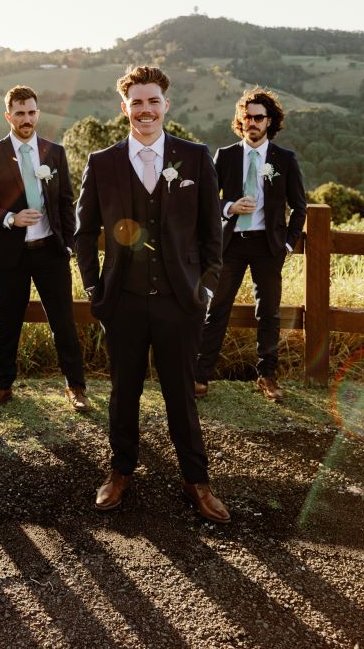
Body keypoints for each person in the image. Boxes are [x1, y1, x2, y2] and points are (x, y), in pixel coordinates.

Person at [75, 65, 229, 521]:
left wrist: (204, 287)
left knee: (180, 394)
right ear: (125, 108)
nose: (145, 110)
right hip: (121, 300)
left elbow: (210, 233)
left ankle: (196, 481)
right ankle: (120, 473)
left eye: (153, 101)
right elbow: (83, 233)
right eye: (136, 102)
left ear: (166, 106)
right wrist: (94, 289)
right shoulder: (102, 163)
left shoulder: (196, 158)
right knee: (124, 392)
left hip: (179, 301)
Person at [0, 85, 89, 411]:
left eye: (31, 112)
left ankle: (76, 387)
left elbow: (66, 201)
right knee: (6, 322)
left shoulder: (55, 152)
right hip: (11, 254)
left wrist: (69, 245)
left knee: (63, 321)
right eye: (20, 113)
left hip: (51, 251)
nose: (26, 119)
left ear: (38, 113)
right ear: (9, 116)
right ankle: (2, 386)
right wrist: (9, 217)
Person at [196, 88, 307, 402]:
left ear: (269, 121)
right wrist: (229, 207)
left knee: (269, 314)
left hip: (268, 248)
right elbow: (207, 201)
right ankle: (200, 375)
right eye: (247, 117)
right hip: (230, 246)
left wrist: (287, 245)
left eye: (259, 117)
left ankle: (267, 376)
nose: (253, 123)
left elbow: (300, 207)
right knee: (217, 310)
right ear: (240, 121)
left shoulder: (284, 159)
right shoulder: (226, 155)